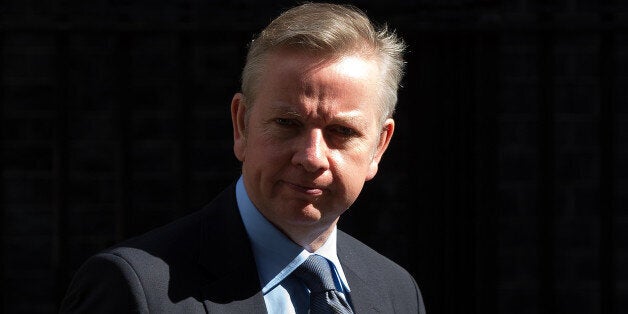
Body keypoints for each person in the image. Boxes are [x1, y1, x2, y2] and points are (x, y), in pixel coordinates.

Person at [60, 2, 426, 313]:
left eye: (342, 132)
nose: (312, 157)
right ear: (241, 125)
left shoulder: (396, 292)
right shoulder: (134, 289)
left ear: (379, 146)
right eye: (287, 123)